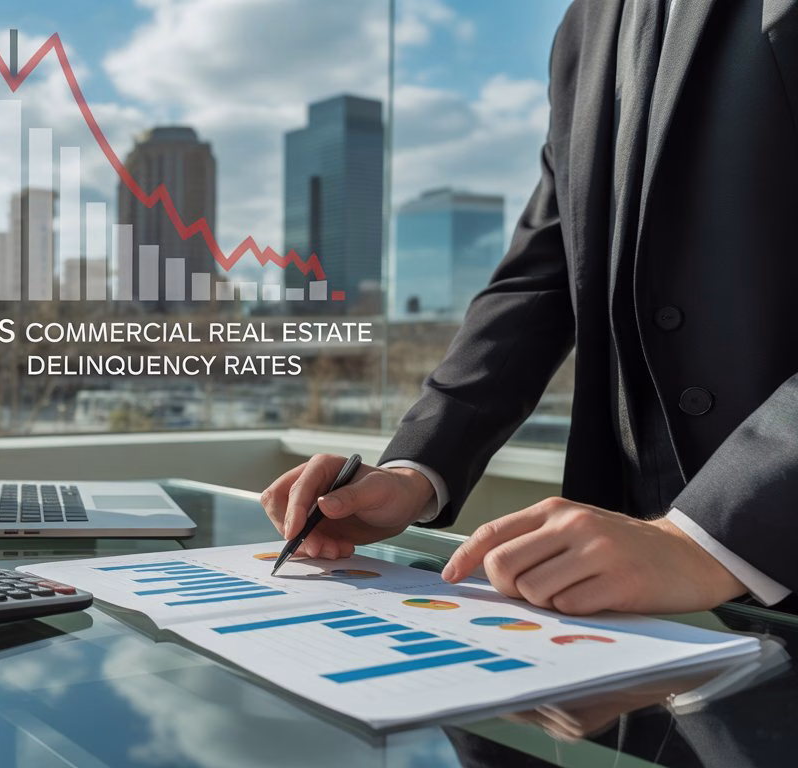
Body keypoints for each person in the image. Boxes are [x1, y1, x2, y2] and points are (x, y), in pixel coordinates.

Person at [262, 0, 798, 616]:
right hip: (617, 583)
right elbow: (543, 272)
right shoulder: (586, 24)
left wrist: (710, 537)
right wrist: (415, 471)